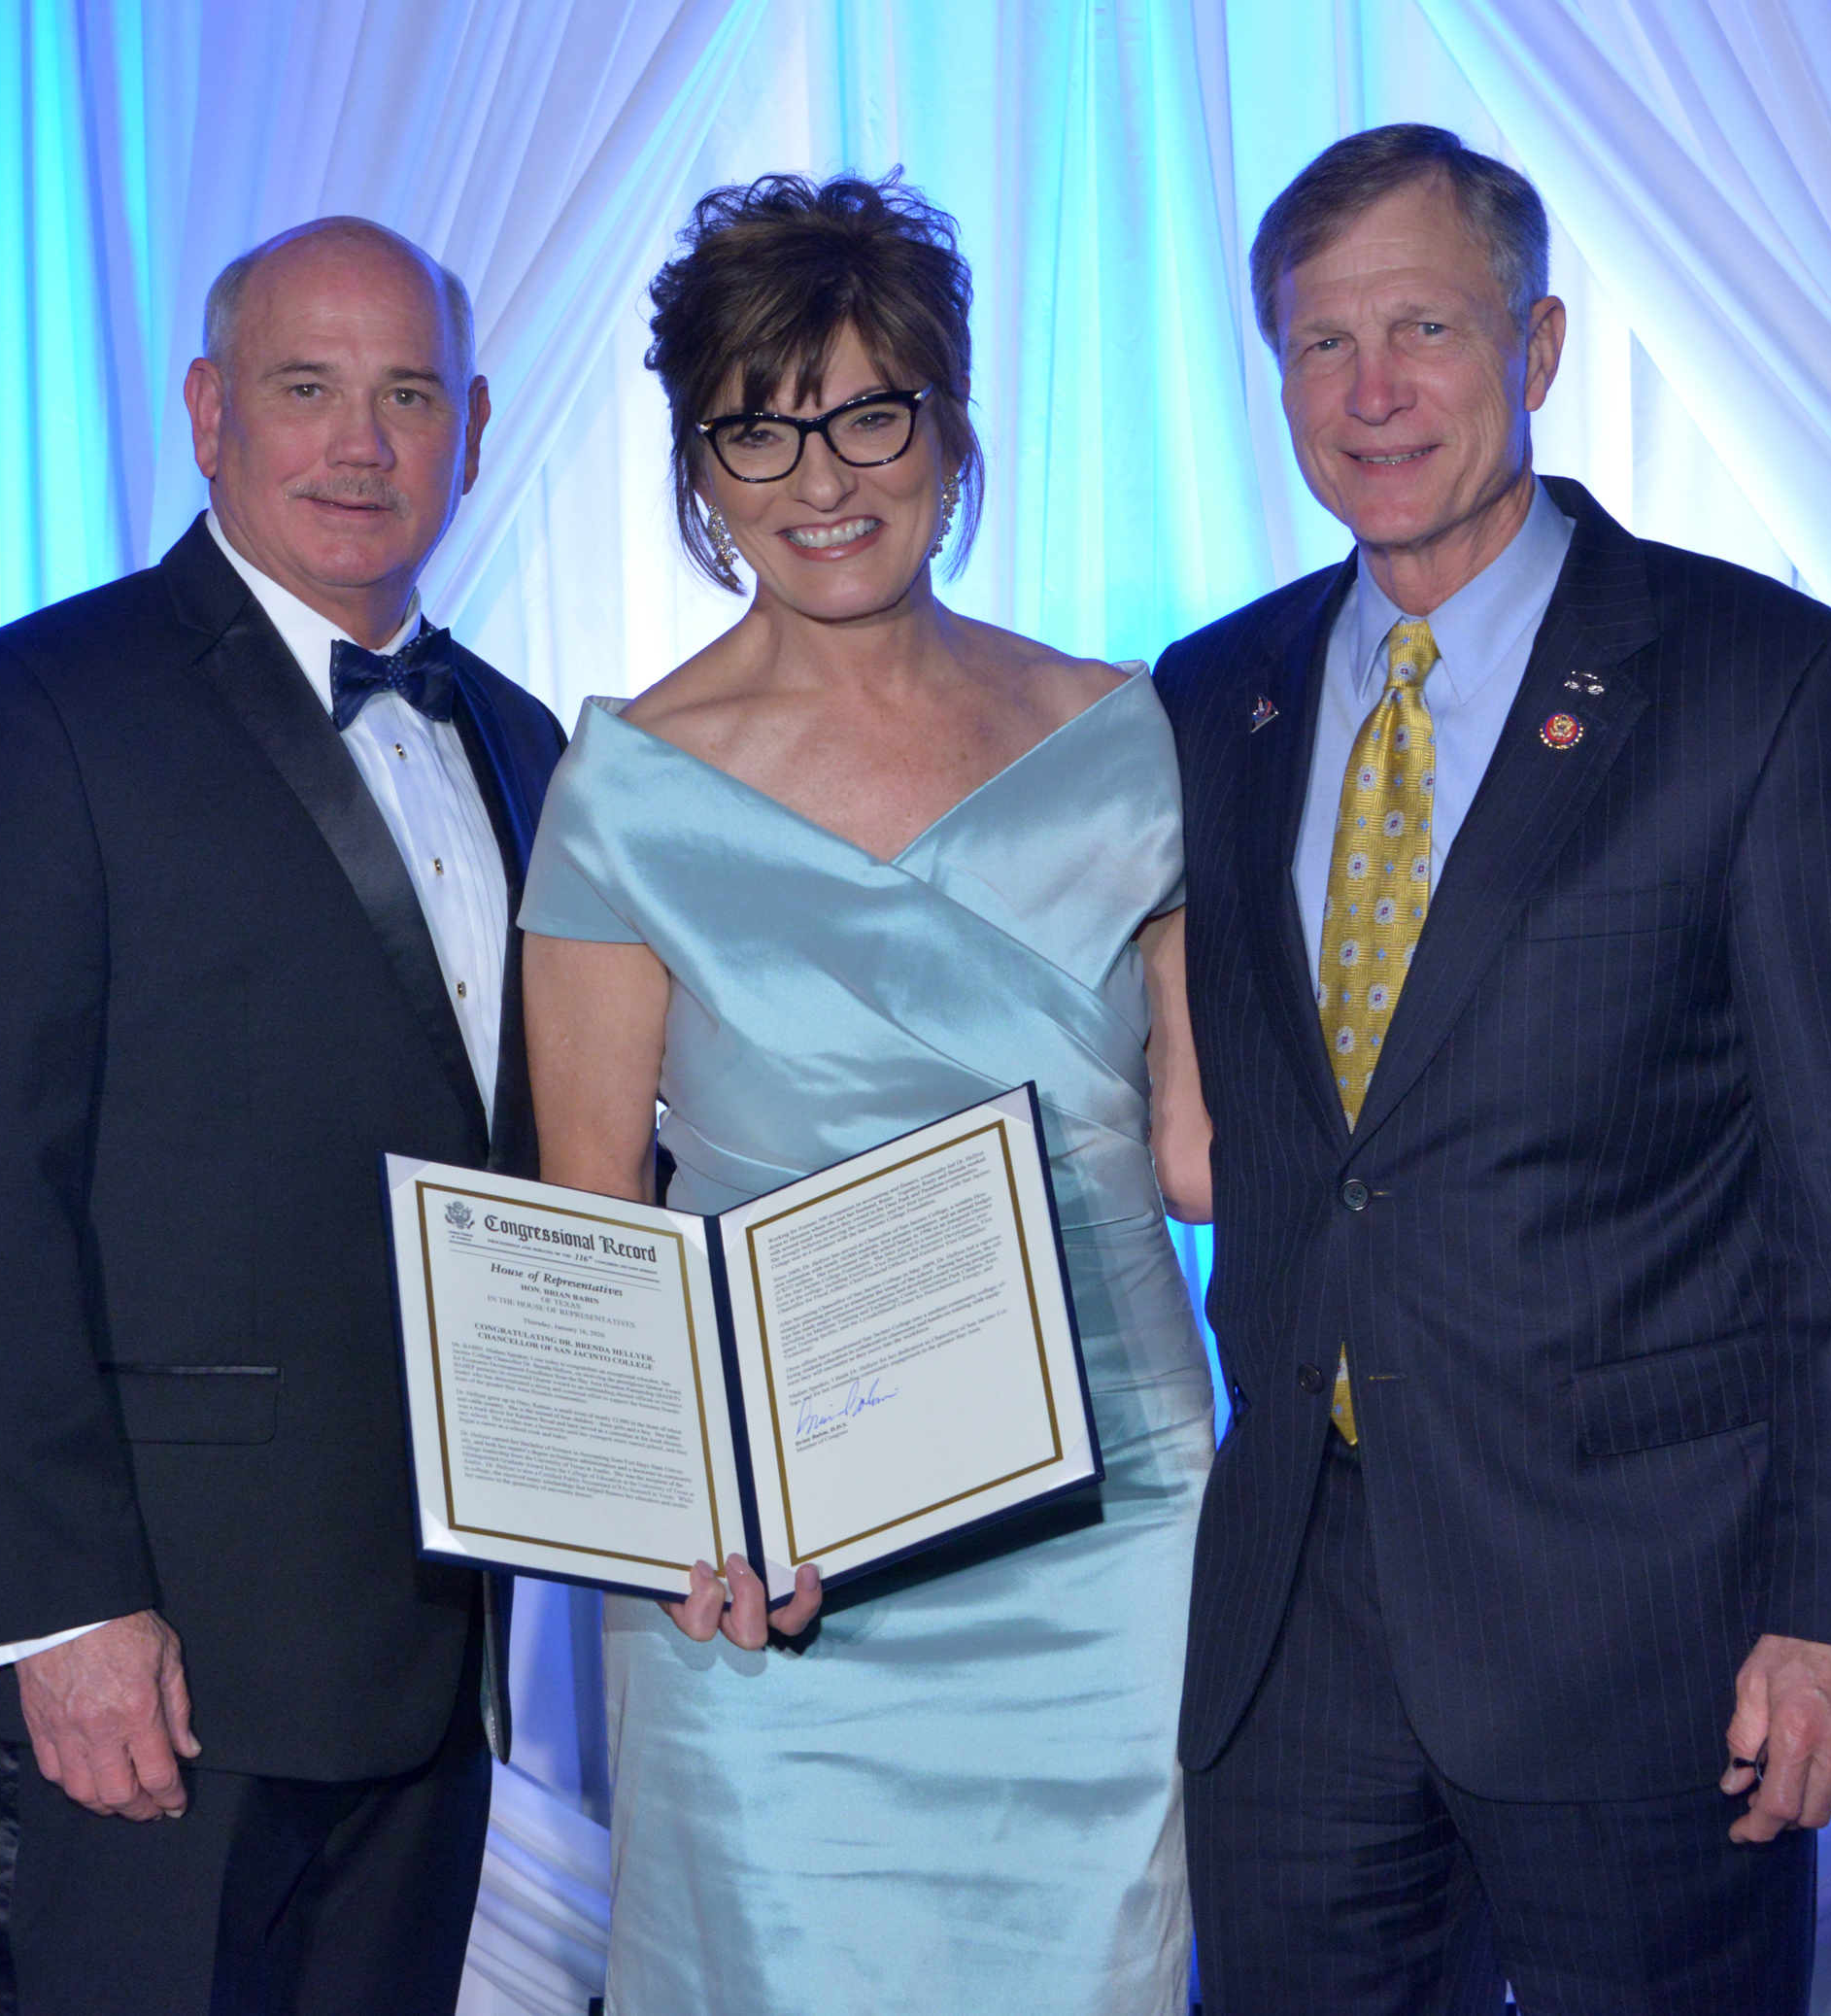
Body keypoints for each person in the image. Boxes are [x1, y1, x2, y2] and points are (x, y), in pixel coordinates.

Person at [1158, 124, 1831, 2013]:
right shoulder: (1214, 695)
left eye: (1424, 327)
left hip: (1645, 1625)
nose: (1372, 393)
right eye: (1319, 343)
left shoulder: (1760, 681)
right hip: (1297, 1625)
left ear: (1538, 347)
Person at [0, 217, 565, 2013]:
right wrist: (57, 1614)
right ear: (204, 412)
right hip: (156, 1665)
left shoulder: (524, 739)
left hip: (430, 1642)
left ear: (471, 425)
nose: (361, 442)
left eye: (408, 394)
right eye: (306, 388)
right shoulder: (34, 709)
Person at [519, 173, 1216, 2015]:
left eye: (867, 414)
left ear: (949, 422)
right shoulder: (626, 792)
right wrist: (682, 1536)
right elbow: (594, 1227)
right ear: (698, 466)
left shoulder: (1123, 732)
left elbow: (1212, 1155)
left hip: (1120, 1536)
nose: (820, 480)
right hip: (781, 1570)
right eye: (757, 429)